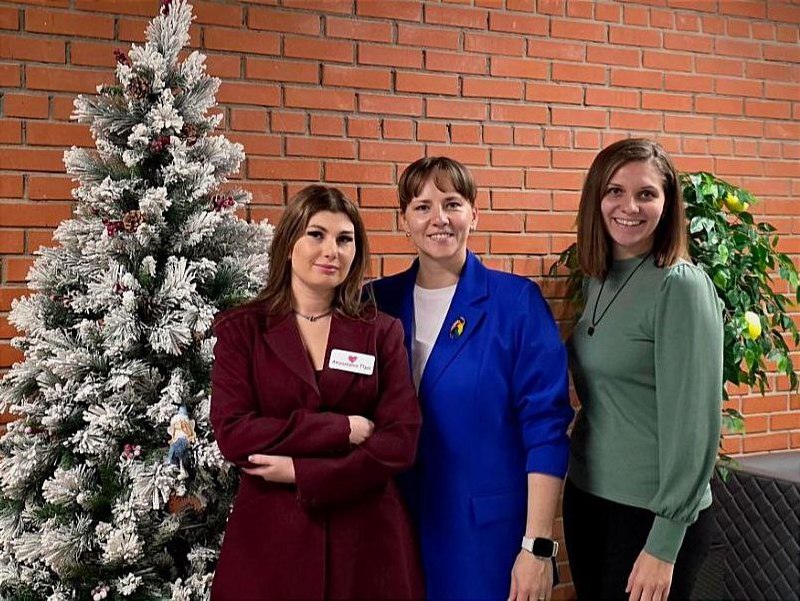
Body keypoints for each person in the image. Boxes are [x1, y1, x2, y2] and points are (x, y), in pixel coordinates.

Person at [370, 157, 574, 601]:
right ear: (404, 220)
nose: (439, 218)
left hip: (485, 542)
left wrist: (537, 547)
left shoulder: (515, 303)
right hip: (393, 530)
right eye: (422, 207)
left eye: (452, 204)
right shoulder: (375, 302)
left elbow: (546, 430)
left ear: (474, 214)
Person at [210, 185, 423, 600]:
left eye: (344, 239)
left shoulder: (381, 331)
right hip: (271, 545)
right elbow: (234, 433)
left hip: (368, 544)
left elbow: (401, 440)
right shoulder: (241, 330)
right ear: (290, 242)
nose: (331, 251)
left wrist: (301, 472)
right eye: (317, 235)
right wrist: (341, 429)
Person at [563, 138, 723, 601]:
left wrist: (665, 541)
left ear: (667, 203)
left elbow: (695, 425)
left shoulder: (680, 286)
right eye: (615, 191)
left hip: (650, 515)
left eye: (646, 194)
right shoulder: (598, 277)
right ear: (596, 198)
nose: (629, 207)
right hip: (588, 497)